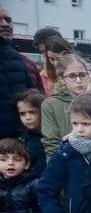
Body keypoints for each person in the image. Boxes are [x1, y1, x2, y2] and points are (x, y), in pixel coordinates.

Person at [16, 88, 71, 213]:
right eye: (23, 114)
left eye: (32, 112)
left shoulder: (50, 136)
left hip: (55, 191)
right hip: (36, 194)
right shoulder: (25, 140)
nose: (28, 118)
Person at [41, 53, 91, 157]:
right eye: (72, 76)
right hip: (66, 160)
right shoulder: (50, 104)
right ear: (62, 80)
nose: (78, 80)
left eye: (82, 75)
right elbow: (51, 143)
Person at [0, 7, 36, 140]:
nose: (4, 24)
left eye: (8, 20)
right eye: (0, 20)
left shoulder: (16, 57)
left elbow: (32, 94)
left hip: (18, 137)